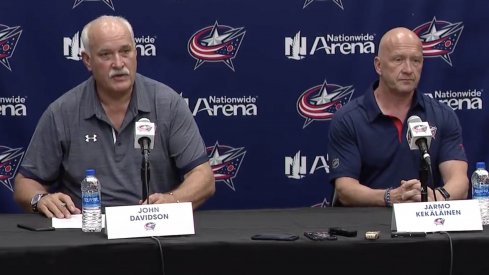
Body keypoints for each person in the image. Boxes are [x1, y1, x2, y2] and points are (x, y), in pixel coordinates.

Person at [13, 15, 215, 218]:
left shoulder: (168, 104)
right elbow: (25, 183)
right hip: (86, 234)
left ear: (136, 53)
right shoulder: (62, 112)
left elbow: (203, 178)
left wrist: (172, 200)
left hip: (152, 231)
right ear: (87, 60)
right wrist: (40, 199)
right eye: (106, 55)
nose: (118, 63)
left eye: (125, 51)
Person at [327, 27, 468, 207]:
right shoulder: (348, 119)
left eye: (416, 60)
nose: (408, 69)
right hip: (369, 226)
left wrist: (437, 197)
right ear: (379, 65)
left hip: (426, 224)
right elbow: (345, 189)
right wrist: (391, 197)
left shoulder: (442, 115)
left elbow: (459, 181)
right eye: (398, 60)